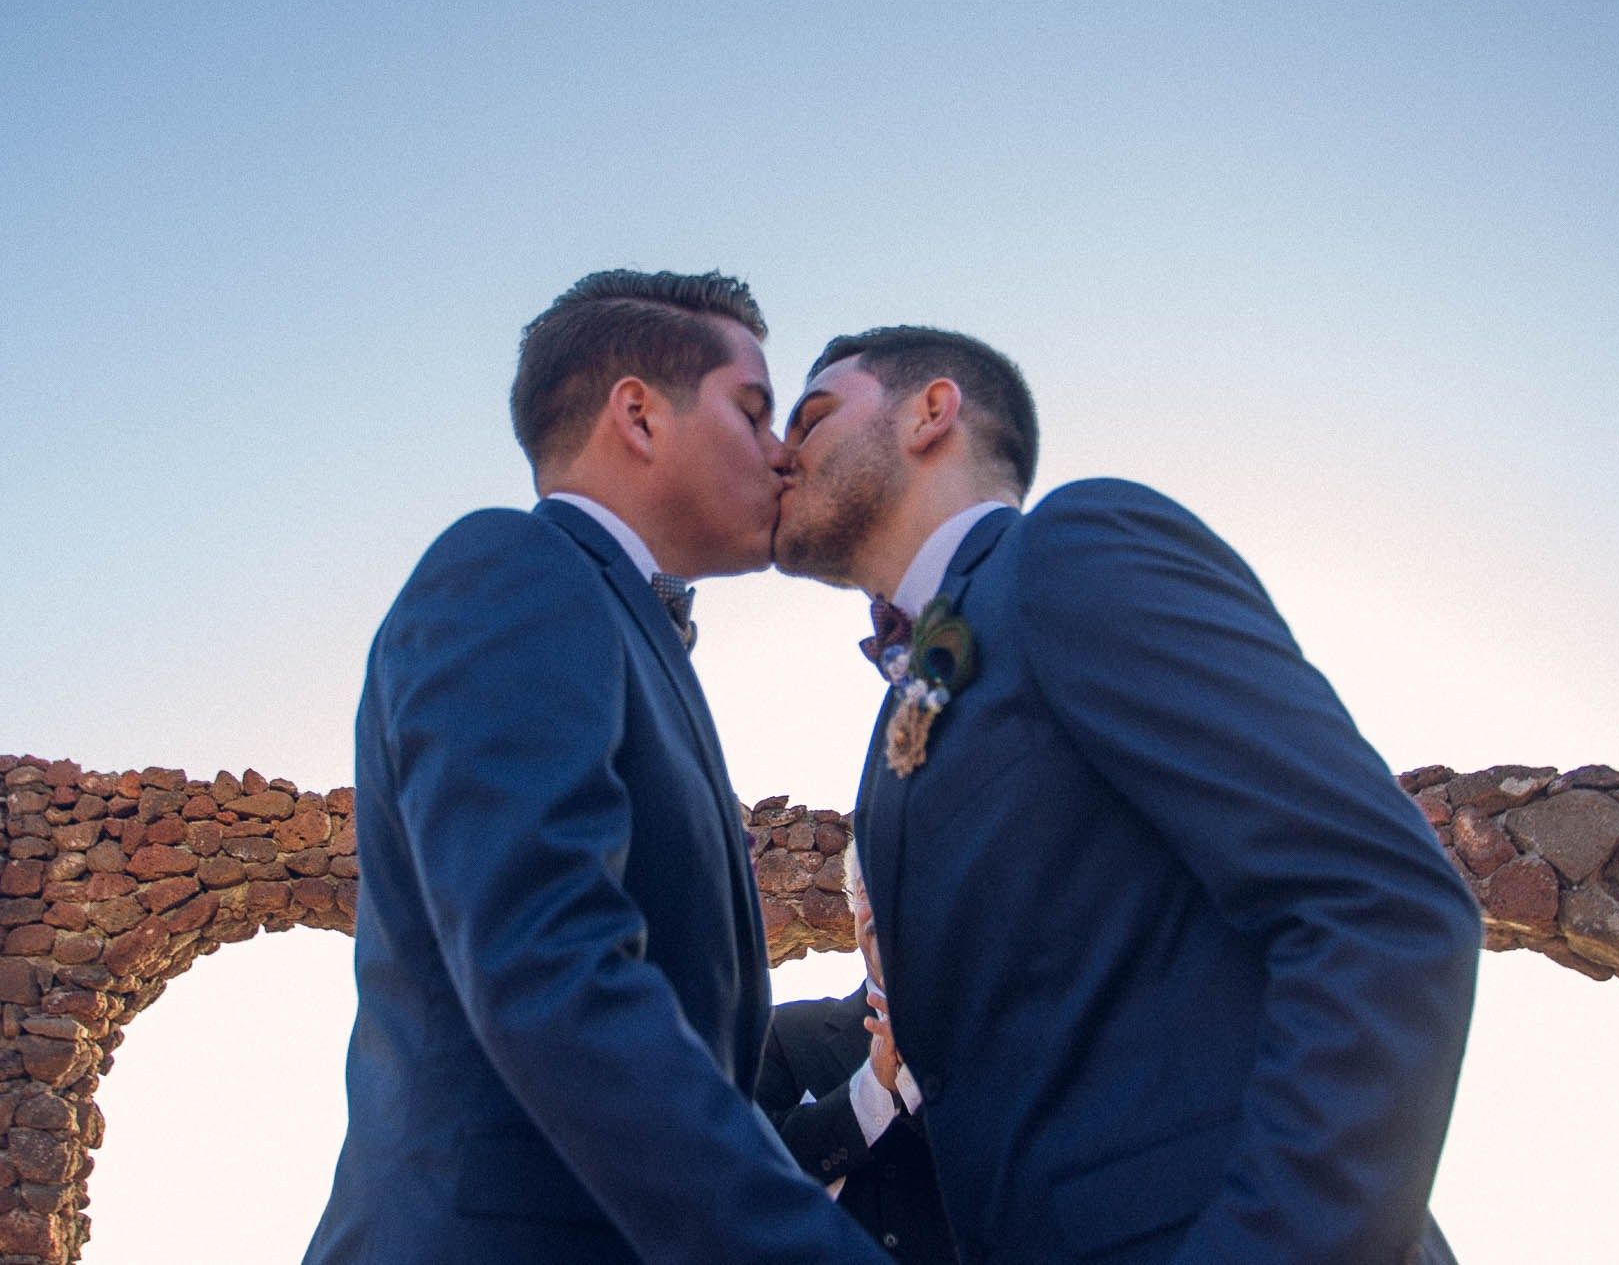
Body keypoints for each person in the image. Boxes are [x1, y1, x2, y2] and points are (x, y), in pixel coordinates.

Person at [772, 324, 1485, 1264]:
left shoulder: (1071, 548)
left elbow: (1380, 901)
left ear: (931, 412)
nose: (781, 452)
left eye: (813, 416)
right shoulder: (895, 726)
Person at [303, 271, 885, 1264]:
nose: (783, 451)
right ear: (638, 416)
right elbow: (548, 961)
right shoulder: (513, 567)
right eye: (752, 411)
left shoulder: (619, 625)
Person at [757, 847, 956, 1264]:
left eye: (899, 884)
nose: (882, 903)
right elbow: (751, 1171)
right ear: (851, 905)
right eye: (867, 889)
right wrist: (874, 1088)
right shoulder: (785, 1035)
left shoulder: (994, 1034)